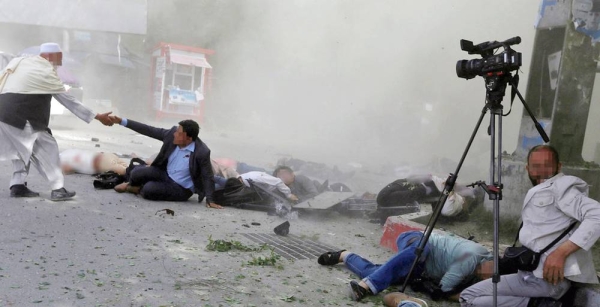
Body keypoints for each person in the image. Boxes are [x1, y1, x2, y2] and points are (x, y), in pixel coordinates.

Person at [460, 145, 600, 307]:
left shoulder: (562, 187)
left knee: (468, 298)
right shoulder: (540, 190)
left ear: (558, 167)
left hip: (547, 281)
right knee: (469, 296)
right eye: (536, 166)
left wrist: (561, 253)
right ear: (527, 168)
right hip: (529, 275)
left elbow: (596, 214)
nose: (541, 172)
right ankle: (539, 304)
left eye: (547, 165)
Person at [0, 42, 113, 201]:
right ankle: (58, 189)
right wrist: (98, 116)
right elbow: (69, 101)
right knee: (48, 149)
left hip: (4, 115)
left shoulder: (23, 62)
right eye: (58, 60)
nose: (59, 65)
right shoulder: (45, 71)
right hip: (24, 116)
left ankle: (17, 185)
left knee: (21, 149)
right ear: (50, 56)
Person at [318, 230, 493, 302]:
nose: (491, 279)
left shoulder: (480, 273)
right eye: (493, 275)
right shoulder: (472, 257)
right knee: (419, 251)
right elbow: (443, 290)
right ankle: (366, 287)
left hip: (422, 269)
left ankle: (344, 255)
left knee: (377, 272)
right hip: (416, 239)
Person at [109, 115, 222, 208]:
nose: (175, 134)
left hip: (181, 187)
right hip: (165, 173)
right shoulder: (171, 135)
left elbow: (208, 175)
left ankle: (136, 189)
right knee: (136, 173)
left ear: (189, 139)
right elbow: (148, 130)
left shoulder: (202, 152)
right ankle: (131, 184)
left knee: (150, 190)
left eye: (179, 133)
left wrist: (210, 200)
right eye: (177, 130)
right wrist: (121, 121)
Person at [60, 148, 128, 175]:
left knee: (128, 172)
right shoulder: (67, 152)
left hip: (102, 163)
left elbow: (67, 169)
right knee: (130, 168)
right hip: (106, 155)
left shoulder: (61, 159)